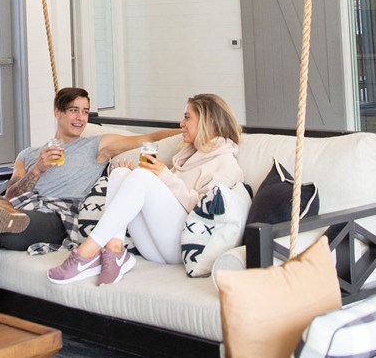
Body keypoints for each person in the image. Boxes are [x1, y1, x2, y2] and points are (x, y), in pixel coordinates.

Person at [0, 87, 176, 308]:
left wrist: (186, 132)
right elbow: (11, 195)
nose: (81, 118)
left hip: (55, 216)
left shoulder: (96, 146)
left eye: (85, 111)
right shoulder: (28, 154)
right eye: (73, 110)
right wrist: (37, 169)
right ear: (57, 112)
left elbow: (151, 137)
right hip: (17, 209)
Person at [47, 92, 243, 288]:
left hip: (180, 246)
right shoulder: (189, 154)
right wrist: (134, 178)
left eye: (187, 117)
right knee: (120, 174)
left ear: (206, 121)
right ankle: (114, 253)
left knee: (141, 177)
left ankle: (84, 253)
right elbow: (166, 195)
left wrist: (162, 175)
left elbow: (202, 211)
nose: (181, 123)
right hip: (156, 246)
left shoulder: (225, 163)